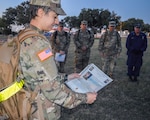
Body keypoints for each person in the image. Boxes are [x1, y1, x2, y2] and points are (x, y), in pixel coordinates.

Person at [18, 0, 97, 119]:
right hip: (41, 113)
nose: (57, 21)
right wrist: (86, 98)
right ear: (40, 12)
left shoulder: (24, 35)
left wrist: (67, 77)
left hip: (27, 107)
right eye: (54, 16)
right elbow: (53, 91)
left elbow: (38, 76)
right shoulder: (37, 43)